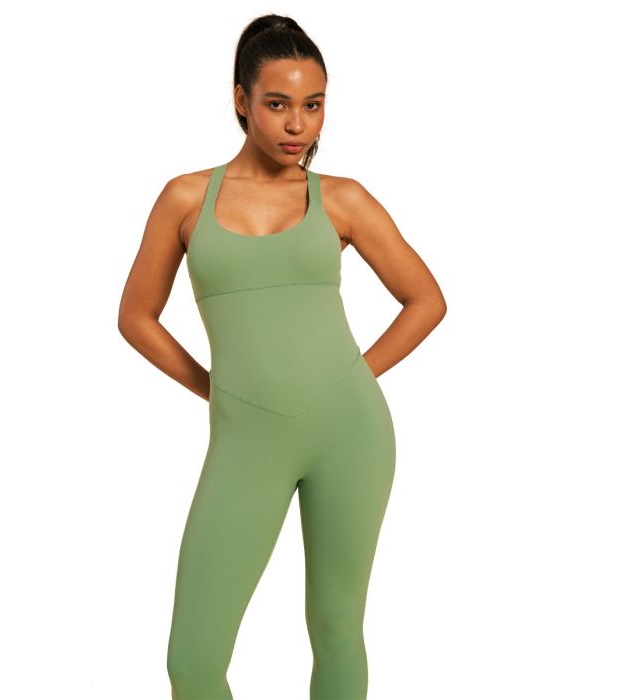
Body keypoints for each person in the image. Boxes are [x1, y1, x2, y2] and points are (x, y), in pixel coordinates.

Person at [118, 13, 446, 700]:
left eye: (313, 104)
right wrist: (216, 388)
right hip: (246, 441)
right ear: (241, 100)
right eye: (277, 103)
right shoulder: (186, 198)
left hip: (351, 435)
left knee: (335, 626)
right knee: (193, 658)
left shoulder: (343, 199)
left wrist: (349, 379)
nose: (298, 124)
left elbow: (426, 300)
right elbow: (136, 317)